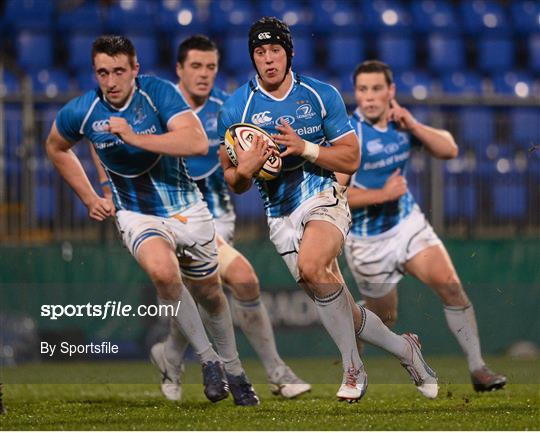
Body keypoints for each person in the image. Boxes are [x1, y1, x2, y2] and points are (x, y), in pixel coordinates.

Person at [218, 17, 438, 402]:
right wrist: (247, 168)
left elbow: (351, 158)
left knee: (312, 266)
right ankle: (407, 350)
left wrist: (304, 147)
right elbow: (233, 181)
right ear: (252, 56)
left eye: (275, 50)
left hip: (323, 195)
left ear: (289, 53)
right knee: (337, 303)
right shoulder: (236, 107)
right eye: (260, 52)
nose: (269, 59)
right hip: (279, 215)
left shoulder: (320, 95)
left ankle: (353, 369)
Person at [45, 35, 259, 406]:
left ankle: (237, 373)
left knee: (211, 294)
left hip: (187, 209)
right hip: (136, 213)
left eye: (118, 71)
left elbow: (194, 142)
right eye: (102, 72)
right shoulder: (83, 110)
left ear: (135, 70)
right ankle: (209, 360)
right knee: (162, 273)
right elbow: (56, 146)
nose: (110, 81)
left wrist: (135, 138)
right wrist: (89, 196)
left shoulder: (157, 93)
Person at [149, 34, 310, 399]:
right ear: (179, 69)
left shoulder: (228, 110)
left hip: (217, 218)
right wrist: (105, 183)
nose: (204, 74)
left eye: (210, 67)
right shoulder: (158, 107)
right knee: (242, 280)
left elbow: (245, 166)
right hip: (170, 214)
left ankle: (170, 354)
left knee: (207, 292)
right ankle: (277, 373)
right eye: (195, 66)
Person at [338, 59, 506, 392]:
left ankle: (478, 368)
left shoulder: (402, 125)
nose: (369, 97)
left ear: (391, 91)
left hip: (407, 224)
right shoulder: (350, 134)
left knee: (450, 285)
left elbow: (449, 148)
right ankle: (353, 354)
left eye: (376, 89)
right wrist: (381, 193)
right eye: (362, 90)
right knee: (384, 318)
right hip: (367, 240)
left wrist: (414, 124)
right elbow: (336, 195)